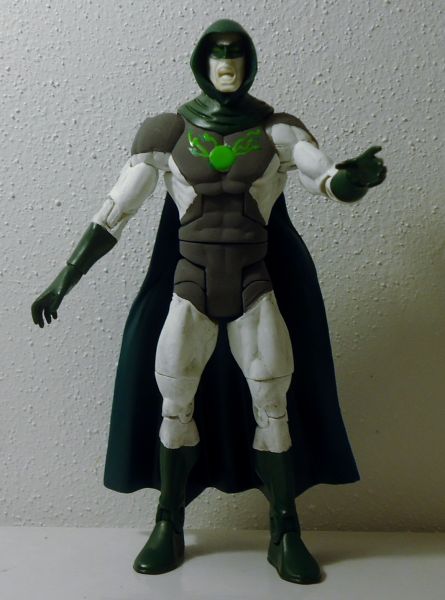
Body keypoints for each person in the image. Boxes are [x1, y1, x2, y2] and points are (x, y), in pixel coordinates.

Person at [32, 19, 385, 585]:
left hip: (254, 284)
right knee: (175, 407)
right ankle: (169, 521)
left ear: (249, 61)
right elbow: (114, 212)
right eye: (217, 53)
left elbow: (326, 180)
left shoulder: (278, 132)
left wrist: (355, 180)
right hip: (189, 285)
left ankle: (285, 529)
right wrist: (63, 279)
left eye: (236, 53)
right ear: (202, 61)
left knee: (273, 407)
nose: (227, 63)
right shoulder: (167, 133)